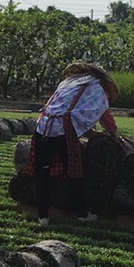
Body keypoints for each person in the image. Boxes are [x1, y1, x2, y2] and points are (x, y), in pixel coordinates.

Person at [26, 61, 121, 226]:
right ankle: (82, 213)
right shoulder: (96, 90)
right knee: (74, 171)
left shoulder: (67, 84)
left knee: (43, 172)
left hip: (43, 127)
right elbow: (105, 117)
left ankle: (43, 215)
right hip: (64, 130)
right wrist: (116, 135)